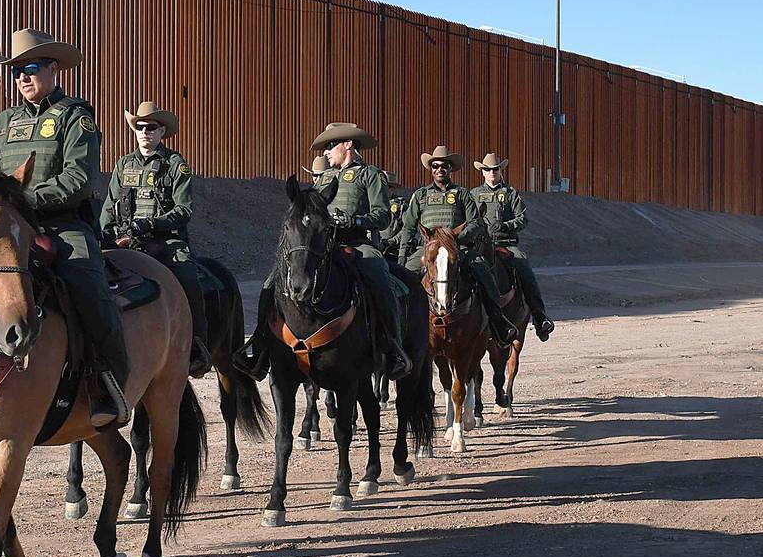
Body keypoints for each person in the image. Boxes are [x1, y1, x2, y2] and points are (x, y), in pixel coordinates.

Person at [0, 28, 128, 428]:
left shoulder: (75, 115)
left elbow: (79, 178)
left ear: (53, 68)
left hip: (60, 226)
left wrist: (25, 202)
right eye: (16, 71)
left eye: (32, 68)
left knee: (88, 285)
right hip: (6, 228)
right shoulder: (2, 123)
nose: (23, 77)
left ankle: (105, 379)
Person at [235, 122, 410, 381]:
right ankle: (260, 349)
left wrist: (355, 221)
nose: (326, 152)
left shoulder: (369, 175)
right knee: (272, 282)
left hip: (358, 244)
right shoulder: (325, 178)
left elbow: (383, 216)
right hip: (323, 247)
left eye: (331, 146)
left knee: (379, 276)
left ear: (348, 144)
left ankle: (392, 346)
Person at [100, 101, 211, 376]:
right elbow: (109, 205)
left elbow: (184, 210)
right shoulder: (123, 164)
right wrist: (102, 234)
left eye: (151, 127)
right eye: (140, 127)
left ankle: (198, 345)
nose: (145, 132)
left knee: (188, 278)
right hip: (125, 240)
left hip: (165, 241)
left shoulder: (176, 164)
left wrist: (150, 224)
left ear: (162, 132)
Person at [396, 145, 519, 345]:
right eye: (435, 165)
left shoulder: (462, 193)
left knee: (484, 272)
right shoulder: (420, 195)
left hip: (457, 247)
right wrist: (402, 257)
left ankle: (498, 322)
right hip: (428, 249)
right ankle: (399, 331)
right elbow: (408, 227)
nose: (439, 169)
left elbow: (475, 224)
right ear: (431, 168)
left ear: (450, 168)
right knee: (402, 280)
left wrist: (453, 240)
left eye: (444, 165)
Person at [471, 152, 554, 341]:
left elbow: (522, 219)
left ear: (501, 171)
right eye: (488, 170)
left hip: (506, 244)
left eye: (495, 169)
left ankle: (539, 316)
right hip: (481, 245)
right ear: (482, 172)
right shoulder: (474, 195)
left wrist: (506, 225)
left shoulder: (511, 193)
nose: (492, 172)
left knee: (523, 266)